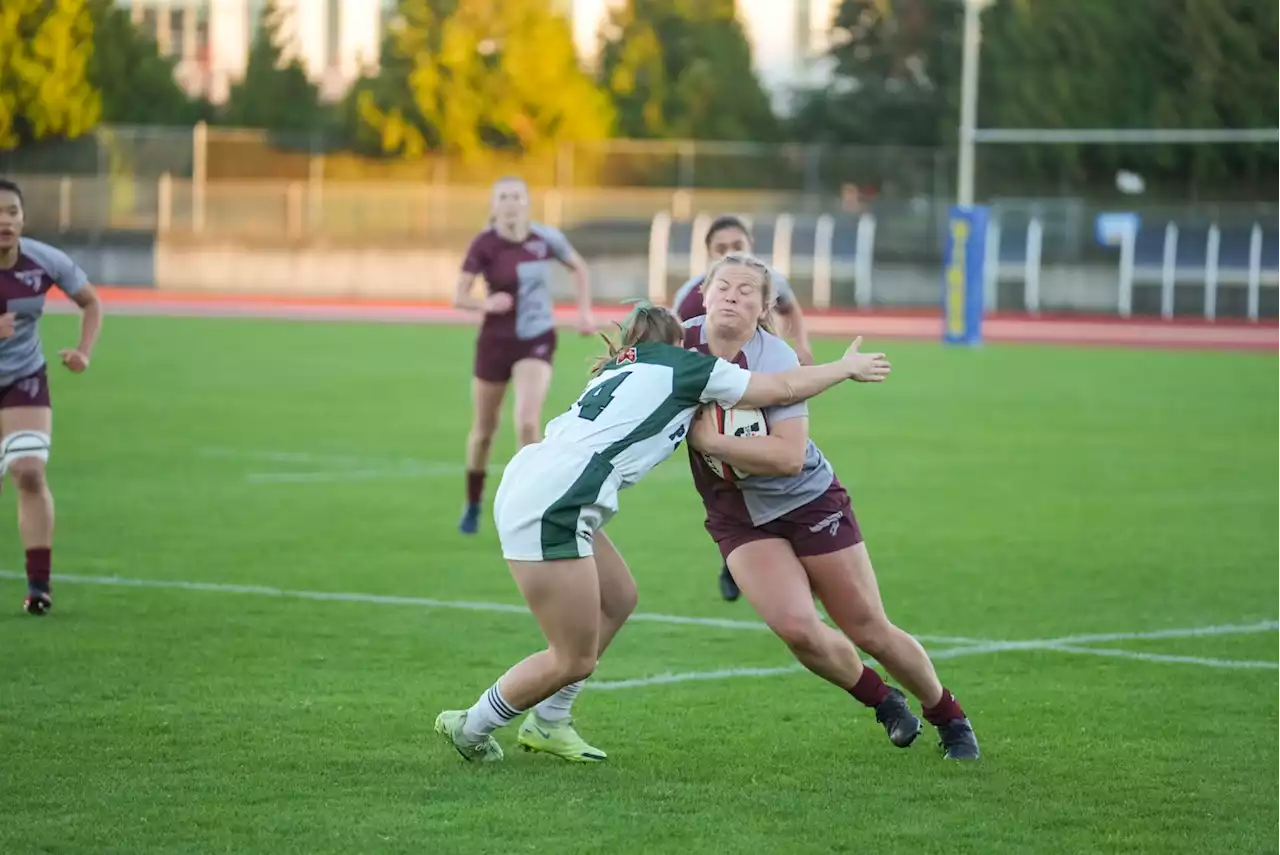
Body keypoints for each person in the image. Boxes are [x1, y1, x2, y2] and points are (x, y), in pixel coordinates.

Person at [433, 299, 891, 764]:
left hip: (536, 480)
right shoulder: (684, 366)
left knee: (619, 598)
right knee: (572, 658)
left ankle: (550, 722)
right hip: (557, 502)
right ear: (675, 341)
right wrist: (844, 368)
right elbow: (782, 386)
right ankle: (471, 725)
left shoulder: (617, 368)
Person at [682, 252, 979, 760]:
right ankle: (885, 702)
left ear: (765, 306)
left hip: (808, 501)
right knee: (798, 630)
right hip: (736, 513)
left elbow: (789, 457)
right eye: (723, 286)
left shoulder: (775, 358)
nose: (732, 295)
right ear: (703, 294)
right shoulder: (676, 343)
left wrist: (713, 444)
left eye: (746, 290)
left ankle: (948, 715)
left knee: (868, 629)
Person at [671, 214, 813, 602]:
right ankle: (737, 557)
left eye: (739, 246)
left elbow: (791, 307)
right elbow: (674, 350)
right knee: (729, 475)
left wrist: (800, 345)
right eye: (723, 249)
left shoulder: (771, 279)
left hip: (767, 388)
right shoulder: (689, 298)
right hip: (718, 402)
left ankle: (785, 544)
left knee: (778, 456)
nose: (733, 253)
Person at [454, 176, 595, 535]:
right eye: (503, 196)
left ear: (528, 203)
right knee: (484, 430)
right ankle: (473, 502)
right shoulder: (484, 244)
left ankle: (529, 502)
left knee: (527, 422)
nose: (511, 202)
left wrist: (583, 312)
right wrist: (485, 302)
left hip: (536, 338)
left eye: (517, 196)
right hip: (495, 341)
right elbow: (459, 296)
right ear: (493, 205)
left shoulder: (545, 239)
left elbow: (579, 267)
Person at [0, 178, 104, 615]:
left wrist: (83, 351)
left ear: (24, 218)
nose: (4, 221)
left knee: (29, 473)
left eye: (12, 212)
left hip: (23, 377)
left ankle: (38, 586)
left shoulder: (44, 260)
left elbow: (91, 303)